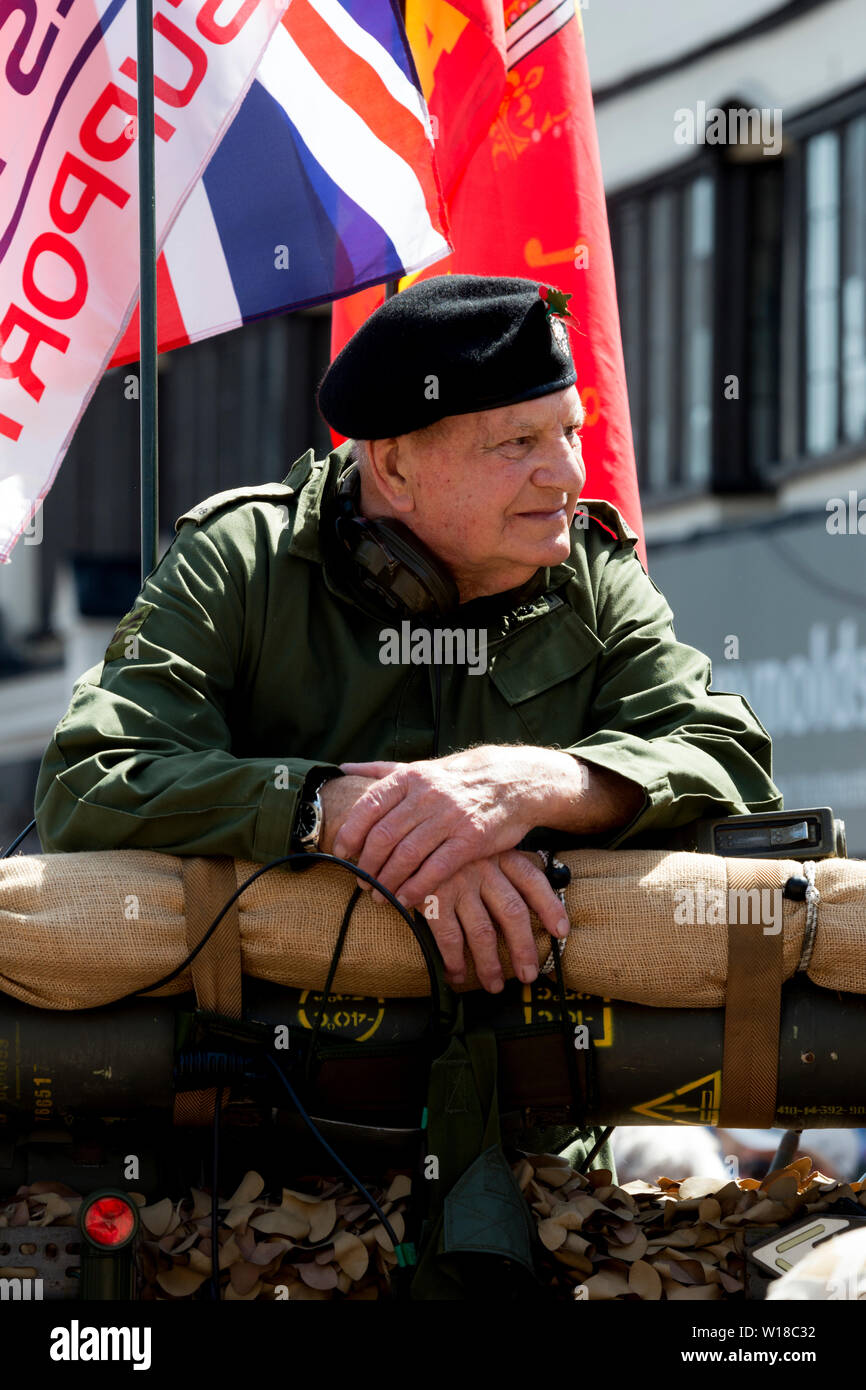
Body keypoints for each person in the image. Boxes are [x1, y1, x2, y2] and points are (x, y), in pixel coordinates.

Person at [34, 274, 783, 1175]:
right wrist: (329, 812)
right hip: (243, 1150)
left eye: (570, 432)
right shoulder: (242, 562)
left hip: (527, 1152)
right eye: (519, 443)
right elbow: (93, 776)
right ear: (391, 466)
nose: (568, 474)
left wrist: (530, 789)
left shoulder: (589, 571)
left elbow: (729, 759)